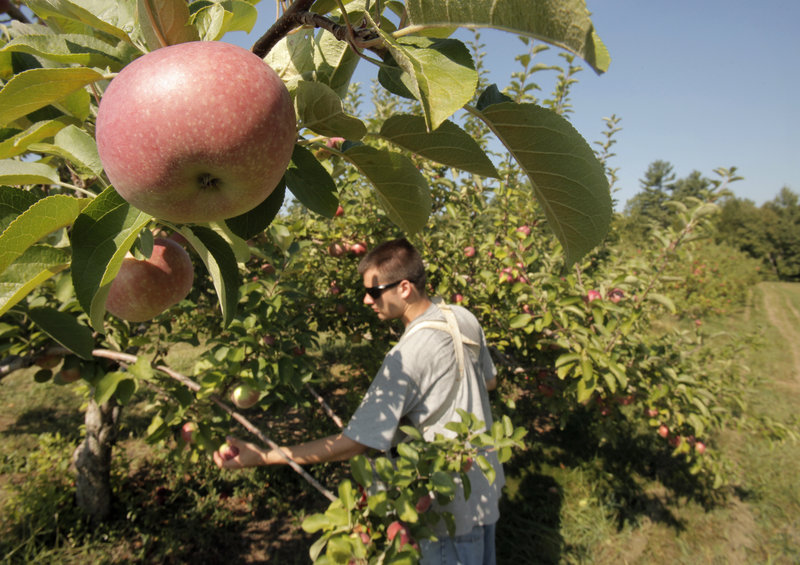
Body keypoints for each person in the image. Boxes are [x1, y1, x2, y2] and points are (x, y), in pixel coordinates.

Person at [214, 238, 504, 565]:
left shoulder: (405, 357)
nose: (367, 300)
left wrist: (265, 456)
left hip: (443, 502)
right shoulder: (463, 317)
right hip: (484, 481)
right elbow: (489, 382)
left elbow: (353, 444)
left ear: (405, 288)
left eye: (374, 291)